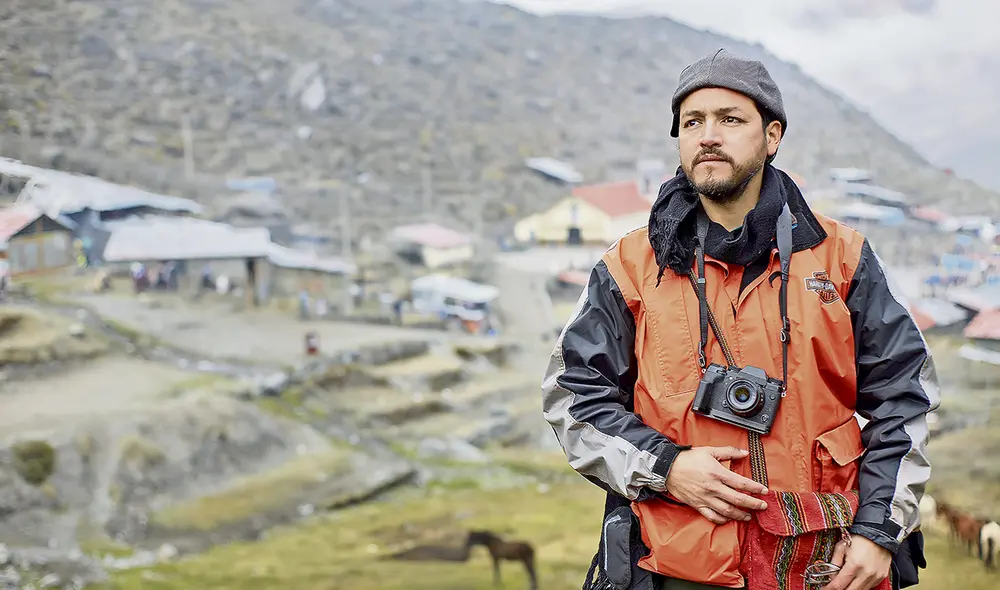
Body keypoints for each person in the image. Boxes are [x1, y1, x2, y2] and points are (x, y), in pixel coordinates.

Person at [542, 48, 938, 590]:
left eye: (730, 120)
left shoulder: (841, 259)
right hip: (678, 565)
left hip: (822, 562)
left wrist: (877, 532)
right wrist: (667, 467)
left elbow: (904, 398)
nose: (708, 136)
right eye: (692, 122)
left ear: (772, 137)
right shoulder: (631, 267)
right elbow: (573, 397)